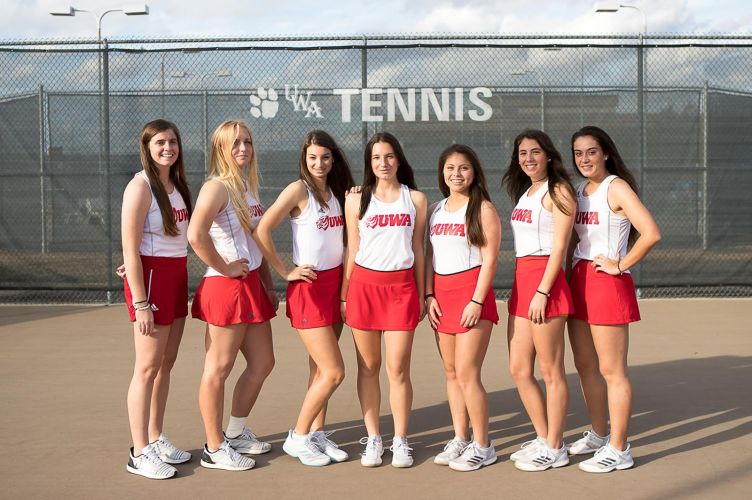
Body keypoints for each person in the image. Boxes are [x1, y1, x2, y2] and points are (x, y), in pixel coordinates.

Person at [254, 130, 355, 466]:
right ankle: (297, 437)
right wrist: (285, 271)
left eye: (325, 157)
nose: (319, 163)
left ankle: (316, 433)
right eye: (313, 157)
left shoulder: (338, 191)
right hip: (309, 288)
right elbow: (263, 229)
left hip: (335, 286)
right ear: (304, 158)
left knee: (318, 370)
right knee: (334, 371)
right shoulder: (298, 190)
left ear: (333, 158)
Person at [566, 125, 661, 473]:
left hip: (607, 282)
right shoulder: (578, 190)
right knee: (585, 366)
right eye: (578, 153)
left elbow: (650, 233)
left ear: (605, 152)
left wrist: (620, 264)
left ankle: (620, 449)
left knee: (611, 370)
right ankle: (599, 433)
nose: (584, 159)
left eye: (591, 151)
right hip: (579, 280)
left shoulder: (615, 186)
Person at [188, 120, 279, 472]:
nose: (243, 148)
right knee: (218, 369)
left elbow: (256, 240)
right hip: (227, 287)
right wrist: (225, 268)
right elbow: (196, 236)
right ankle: (214, 447)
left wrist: (268, 282)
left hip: (252, 283)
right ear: (221, 149)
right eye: (235, 143)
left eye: (248, 142)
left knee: (263, 363)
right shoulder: (217, 188)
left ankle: (236, 433)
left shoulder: (247, 188)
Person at [341, 131, 427, 468]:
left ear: (399, 159)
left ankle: (401, 440)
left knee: (398, 369)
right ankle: (374, 438)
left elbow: (419, 248)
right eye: (376, 158)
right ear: (369, 163)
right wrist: (346, 295)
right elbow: (352, 248)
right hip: (364, 288)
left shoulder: (415, 199)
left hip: (401, 289)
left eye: (389, 156)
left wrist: (421, 294)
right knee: (369, 367)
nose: (383, 163)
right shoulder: (355, 199)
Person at [122, 119, 193, 479]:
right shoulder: (140, 187)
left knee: (166, 363)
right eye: (160, 143)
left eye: (173, 142)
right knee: (147, 368)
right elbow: (130, 249)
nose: (168, 148)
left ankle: (154, 436)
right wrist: (140, 301)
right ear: (147, 147)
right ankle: (139, 452)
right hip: (152, 283)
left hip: (176, 276)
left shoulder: (176, 185)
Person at [501, 129, 576, 472]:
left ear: (548, 155)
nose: (528, 158)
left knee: (551, 371)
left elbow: (559, 246)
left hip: (545, 284)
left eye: (534, 152)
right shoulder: (527, 192)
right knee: (518, 369)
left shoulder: (558, 189)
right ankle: (544, 436)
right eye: (522, 154)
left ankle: (556, 446)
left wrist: (543, 292)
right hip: (522, 281)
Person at [425, 144, 501, 472]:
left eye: (464, 168)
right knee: (451, 372)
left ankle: (483, 444)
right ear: (442, 173)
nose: (457, 174)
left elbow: (490, 260)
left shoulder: (482, 208)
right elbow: (428, 256)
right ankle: (461, 437)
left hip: (472, 296)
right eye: (450, 168)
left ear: (474, 172)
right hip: (441, 297)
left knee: (468, 373)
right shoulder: (435, 209)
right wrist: (428, 296)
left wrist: (476, 300)